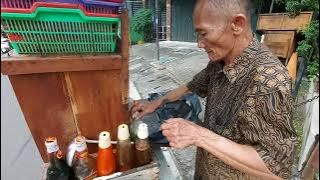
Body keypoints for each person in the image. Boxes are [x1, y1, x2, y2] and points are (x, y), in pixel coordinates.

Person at [131, 0, 297, 179]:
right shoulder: (219, 63)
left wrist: (199, 136)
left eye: (204, 33)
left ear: (237, 24)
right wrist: (156, 103)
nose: (199, 44)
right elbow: (191, 86)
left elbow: (275, 168)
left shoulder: (268, 80)